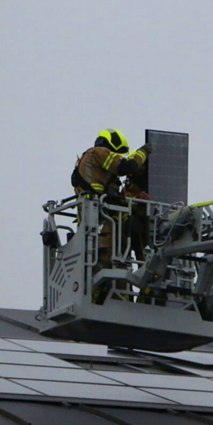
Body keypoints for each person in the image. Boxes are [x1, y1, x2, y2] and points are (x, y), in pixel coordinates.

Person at [72, 129, 152, 302]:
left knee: (114, 263)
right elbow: (127, 167)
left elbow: (115, 198)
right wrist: (143, 152)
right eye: (117, 153)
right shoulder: (98, 152)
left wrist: (136, 199)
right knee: (107, 264)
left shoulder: (96, 169)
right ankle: (105, 299)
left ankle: (117, 299)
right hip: (101, 221)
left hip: (99, 220)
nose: (117, 157)